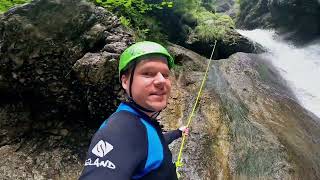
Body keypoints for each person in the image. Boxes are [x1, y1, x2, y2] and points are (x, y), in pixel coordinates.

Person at [79, 41, 189, 180]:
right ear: (125, 81)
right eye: (148, 73)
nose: (162, 80)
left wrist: (178, 132)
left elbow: (150, 143)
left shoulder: (141, 123)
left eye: (166, 75)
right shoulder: (121, 129)